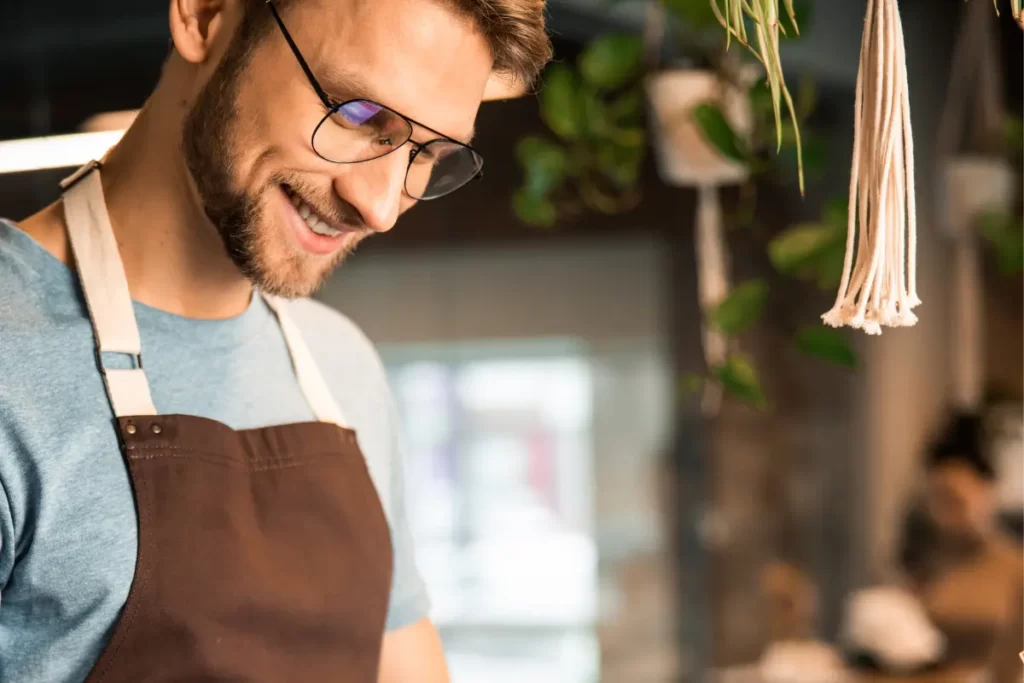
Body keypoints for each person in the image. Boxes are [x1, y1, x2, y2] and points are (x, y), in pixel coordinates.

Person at [0, 0, 551, 681]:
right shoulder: (10, 363)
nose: (379, 207)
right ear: (205, 16)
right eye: (356, 114)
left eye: (427, 154)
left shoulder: (341, 369)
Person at [898, 412, 1023, 683]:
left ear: (988, 491)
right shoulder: (925, 565)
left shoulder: (1016, 569)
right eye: (936, 502)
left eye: (955, 501)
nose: (945, 516)